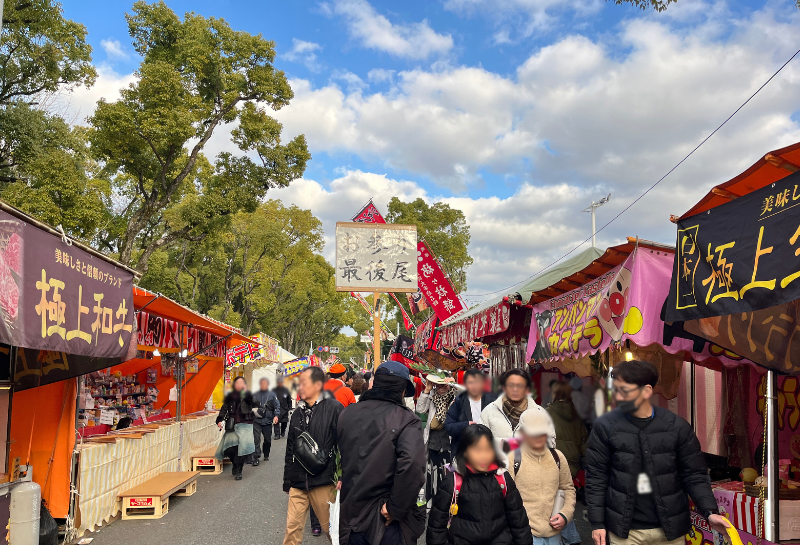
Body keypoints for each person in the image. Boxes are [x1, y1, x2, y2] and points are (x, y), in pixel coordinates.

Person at [585, 360, 730, 545]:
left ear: (646, 391)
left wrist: (710, 512)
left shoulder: (676, 427)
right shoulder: (605, 426)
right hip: (624, 531)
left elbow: (694, 475)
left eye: (625, 391)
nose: (618, 397)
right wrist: (597, 523)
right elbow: (596, 477)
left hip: (670, 529)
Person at [337, 360, 426, 545]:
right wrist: (396, 508)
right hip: (386, 518)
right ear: (402, 390)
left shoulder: (347, 413)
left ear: (374, 383)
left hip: (351, 513)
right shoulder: (407, 419)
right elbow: (412, 465)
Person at [427, 424, 532, 545]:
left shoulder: (502, 478)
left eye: (488, 449)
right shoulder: (453, 481)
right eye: (477, 450)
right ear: (465, 452)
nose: (483, 456)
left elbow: (518, 520)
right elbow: (437, 526)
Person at [283, 367, 343, 545]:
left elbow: (344, 444)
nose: (300, 387)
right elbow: (290, 449)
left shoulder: (334, 408)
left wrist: (342, 475)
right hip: (298, 482)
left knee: (331, 529)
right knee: (292, 529)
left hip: (323, 480)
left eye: (304, 383)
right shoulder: (297, 412)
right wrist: (288, 480)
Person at [513, 406, 576, 545]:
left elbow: (568, 489)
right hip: (524, 534)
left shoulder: (558, 457)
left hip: (554, 534)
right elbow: (505, 497)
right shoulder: (513, 459)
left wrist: (565, 514)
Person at [416, 374, 459, 501]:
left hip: (449, 440)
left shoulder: (454, 396)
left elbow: (464, 397)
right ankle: (432, 500)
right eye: (438, 384)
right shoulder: (432, 395)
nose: (441, 387)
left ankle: (448, 500)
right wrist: (427, 390)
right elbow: (420, 409)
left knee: (449, 473)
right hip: (433, 440)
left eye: (444, 384)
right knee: (432, 472)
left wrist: (453, 385)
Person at [444, 368, 496, 455]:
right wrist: (467, 425)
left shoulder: (492, 401)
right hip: (464, 450)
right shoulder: (459, 401)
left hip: (487, 449)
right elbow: (448, 427)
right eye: (471, 382)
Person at [215, 376, 257, 480]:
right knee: (230, 448)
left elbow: (256, 404)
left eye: (241, 383)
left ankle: (239, 470)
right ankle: (234, 463)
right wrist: (220, 420)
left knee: (241, 449)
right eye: (237, 383)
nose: (239, 385)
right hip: (232, 425)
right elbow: (224, 409)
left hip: (245, 425)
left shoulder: (249, 395)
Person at [481, 369, 538, 440]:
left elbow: (549, 445)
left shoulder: (539, 413)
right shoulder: (489, 411)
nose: (515, 389)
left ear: (527, 389)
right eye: (511, 385)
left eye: (520, 385)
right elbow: (479, 441)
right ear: (504, 388)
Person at [546, 382, 587, 479]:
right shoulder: (577, 417)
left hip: (550, 464)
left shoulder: (545, 413)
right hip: (571, 469)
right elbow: (585, 446)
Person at [252, 377, 280, 465]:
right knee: (256, 439)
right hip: (256, 420)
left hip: (267, 420)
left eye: (265, 383)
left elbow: (277, 406)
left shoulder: (272, 395)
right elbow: (250, 406)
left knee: (267, 439)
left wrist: (276, 416)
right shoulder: (255, 394)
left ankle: (266, 453)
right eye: (261, 383)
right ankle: (256, 457)